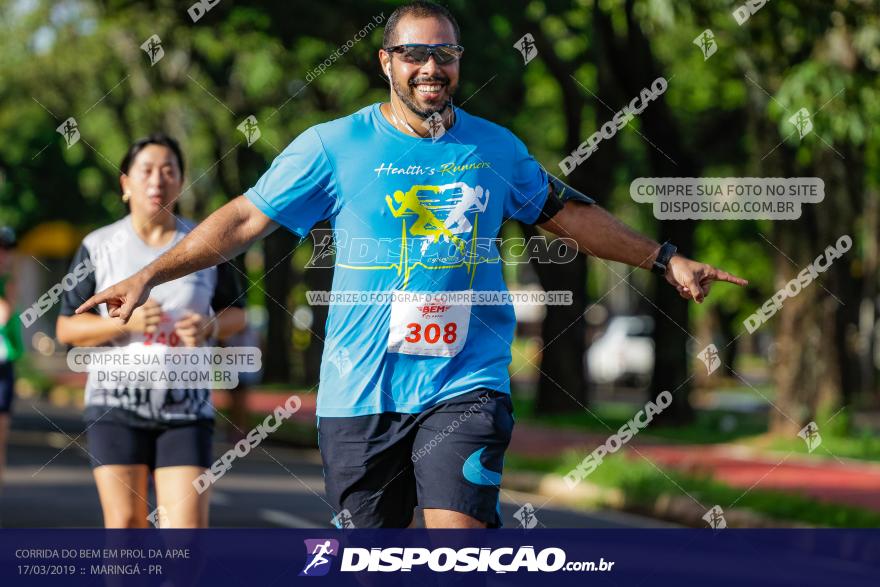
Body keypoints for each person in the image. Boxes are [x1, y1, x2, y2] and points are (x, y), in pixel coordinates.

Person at [76, 2, 747, 529]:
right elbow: (245, 219)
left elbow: (568, 213)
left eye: (445, 54)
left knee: (455, 548)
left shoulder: (496, 147)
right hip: (359, 394)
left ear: (459, 62)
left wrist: (663, 256)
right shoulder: (330, 146)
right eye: (415, 54)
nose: (432, 67)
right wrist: (149, 274)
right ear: (386, 62)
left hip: (466, 382)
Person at [57, 134, 246, 528]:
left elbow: (238, 315)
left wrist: (210, 325)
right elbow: (66, 327)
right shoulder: (99, 245)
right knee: (126, 526)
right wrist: (121, 322)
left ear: (181, 182)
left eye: (168, 171)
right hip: (115, 405)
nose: (157, 181)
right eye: (146, 171)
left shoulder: (206, 245)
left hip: (186, 407)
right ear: (126, 183)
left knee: (187, 535)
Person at [0, 226, 23, 517]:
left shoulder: (9, 282)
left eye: (7, 248)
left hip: (4, 365)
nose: (3, 254)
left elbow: (4, 314)